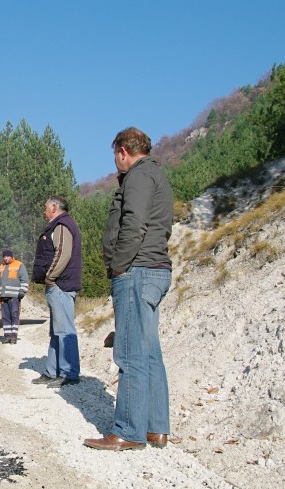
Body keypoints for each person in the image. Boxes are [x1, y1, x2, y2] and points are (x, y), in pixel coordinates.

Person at [84, 127, 173, 451]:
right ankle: (155, 428)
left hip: (136, 272)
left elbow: (133, 224)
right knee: (149, 352)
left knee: (130, 354)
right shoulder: (157, 176)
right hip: (155, 270)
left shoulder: (137, 176)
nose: (116, 163)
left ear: (123, 151)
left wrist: (119, 265)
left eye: (115, 157)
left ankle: (128, 431)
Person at [31, 196, 83, 388]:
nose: (44, 211)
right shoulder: (59, 225)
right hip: (58, 285)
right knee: (56, 331)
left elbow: (63, 253)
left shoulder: (62, 225)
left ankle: (69, 373)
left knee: (64, 331)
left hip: (61, 286)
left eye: (45, 207)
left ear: (54, 207)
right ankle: (51, 371)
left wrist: (50, 278)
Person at [0, 249, 28, 344]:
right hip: (3, 297)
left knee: (14, 315)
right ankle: (7, 336)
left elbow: (24, 280)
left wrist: (22, 291)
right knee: (5, 317)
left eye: (7, 256)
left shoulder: (19, 265)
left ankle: (13, 337)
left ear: (11, 256)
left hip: (14, 297)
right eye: (4, 256)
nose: (6, 258)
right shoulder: (2, 267)